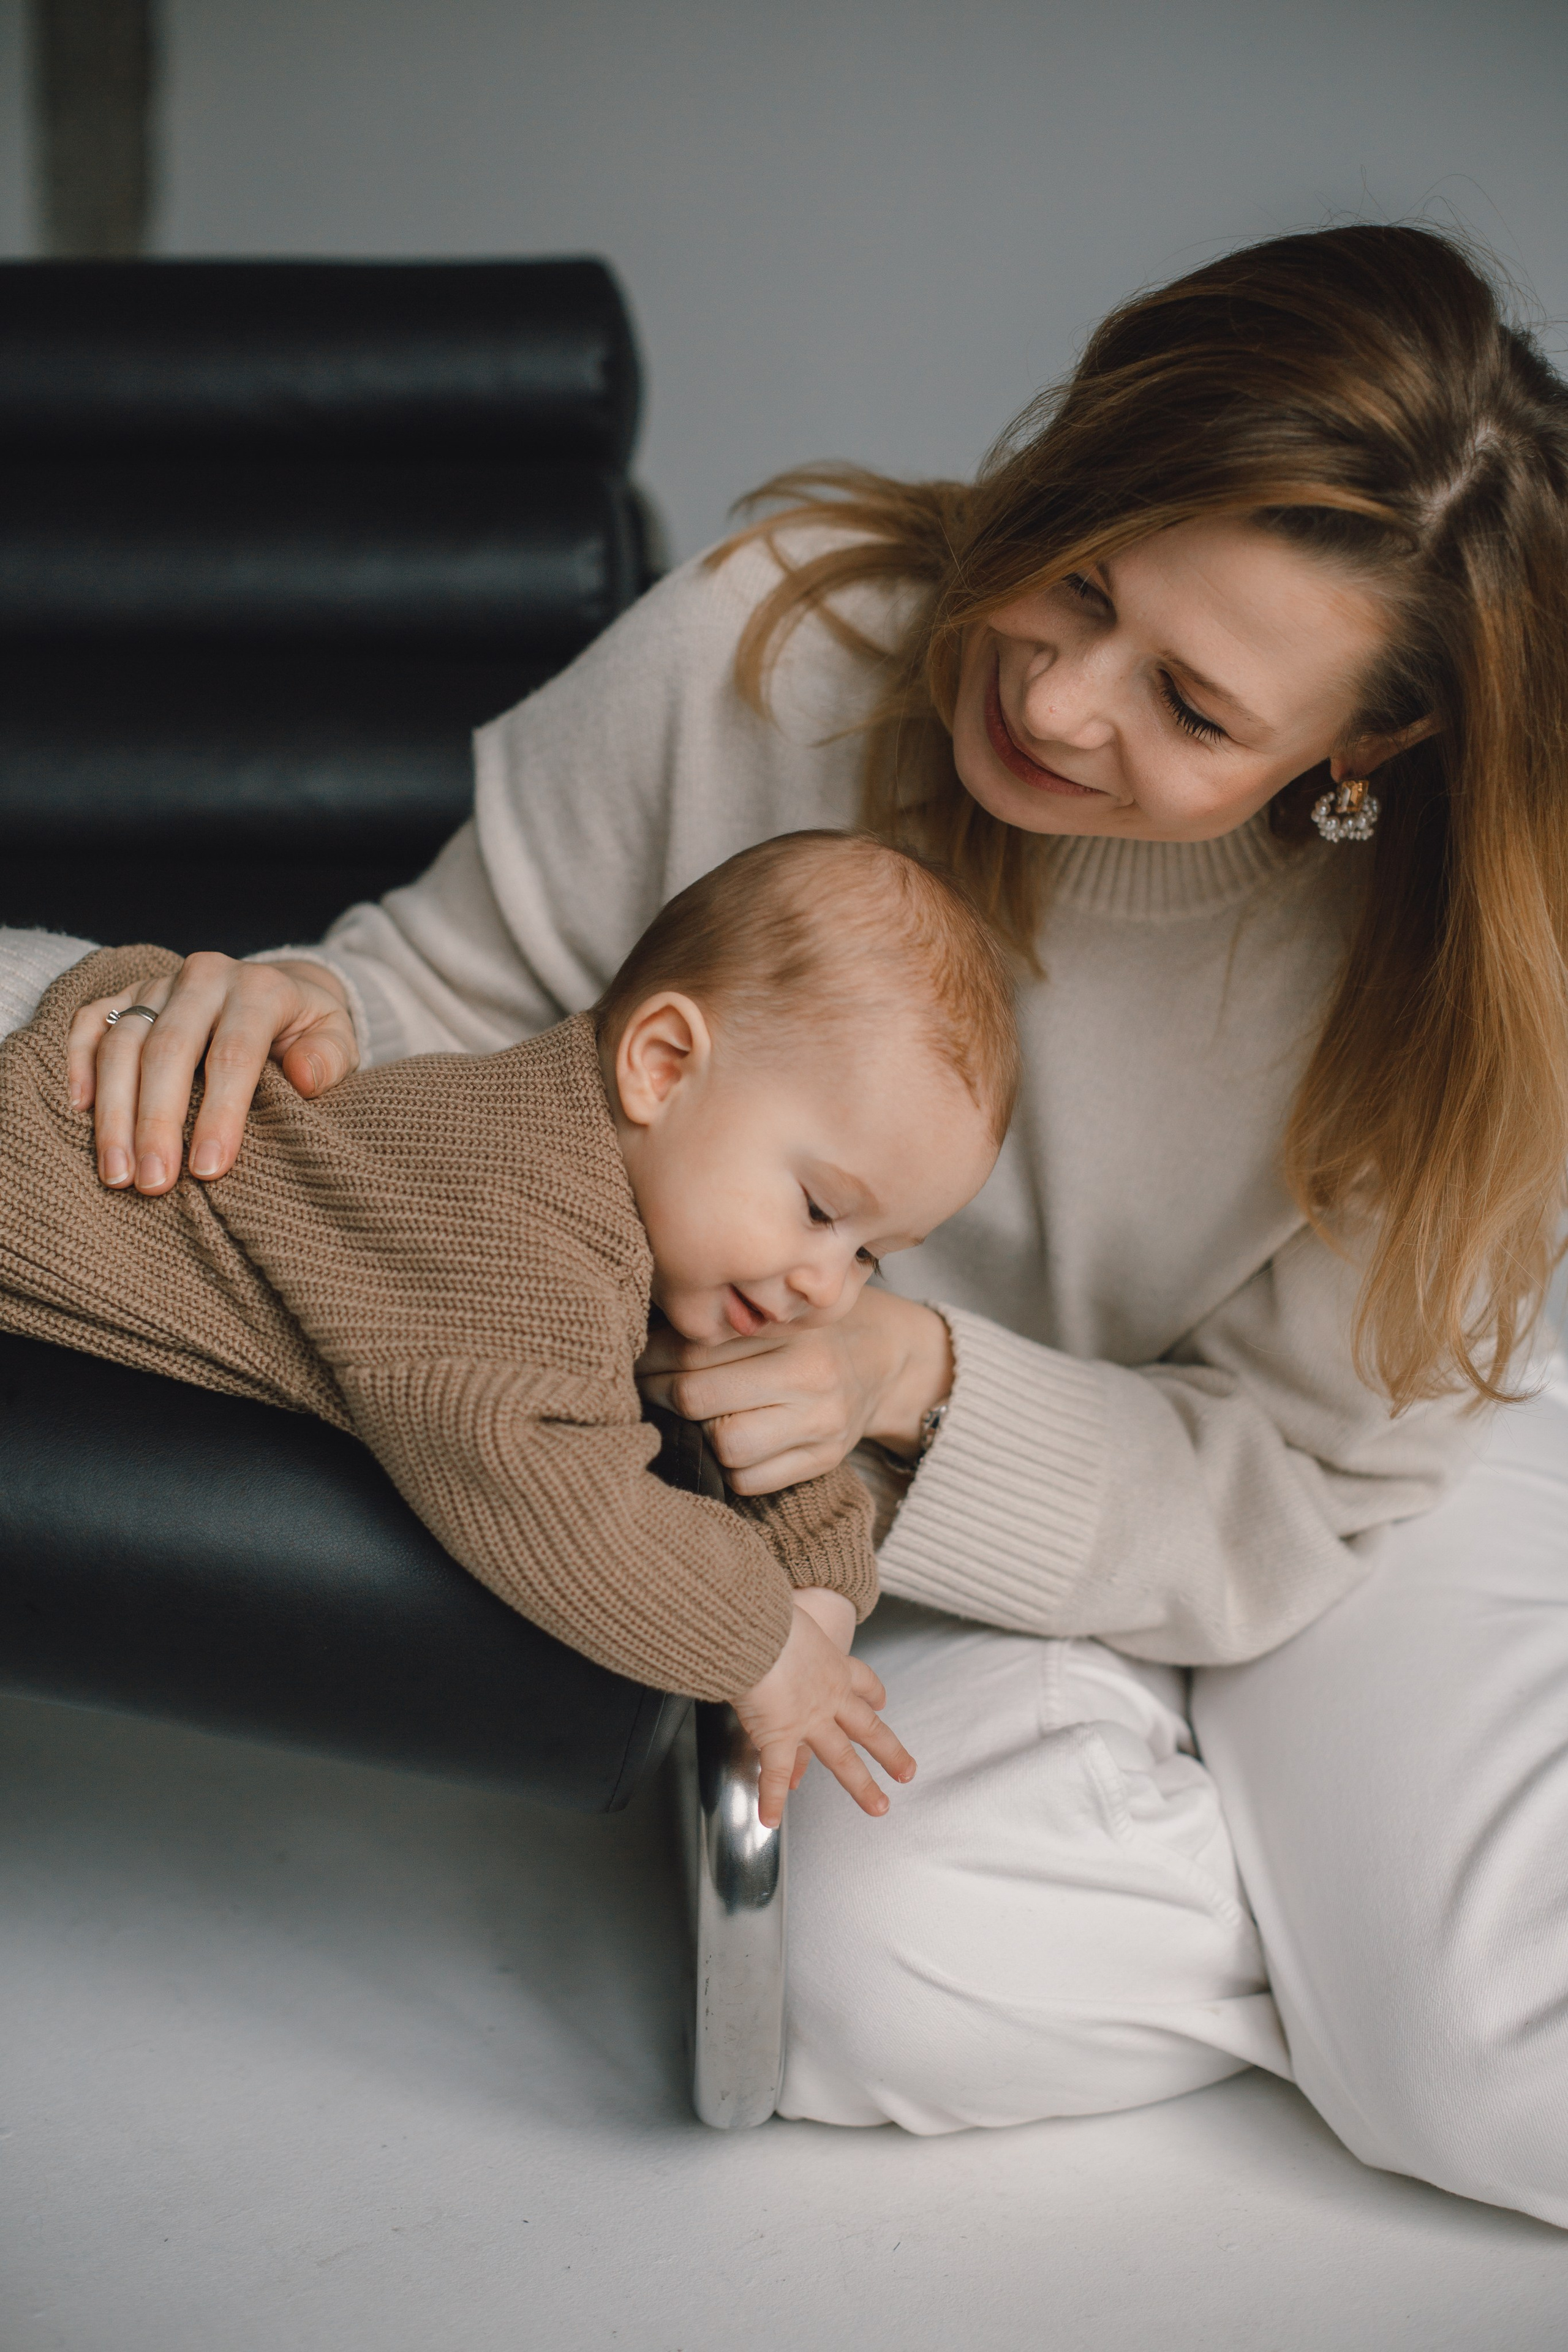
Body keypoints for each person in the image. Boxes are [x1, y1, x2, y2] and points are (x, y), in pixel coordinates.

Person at [50, 226, 1568, 2216]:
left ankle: (1364, 1946)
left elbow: (1300, 1479)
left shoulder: (1449, 992)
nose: (1054, 690)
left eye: (1196, 707)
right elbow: (468, 989)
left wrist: (913, 1373)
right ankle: (1309, 1916)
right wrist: (308, 1009)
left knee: (1488, 2066)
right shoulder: (775, 639)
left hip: (1356, 1477)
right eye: (1086, 571)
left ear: (1365, 753)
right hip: (950, 1518)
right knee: (859, 1986)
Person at [0, 832, 1019, 1825]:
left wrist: (826, 1579)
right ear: (661, 1066)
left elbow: (746, 1402)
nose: (828, 1290)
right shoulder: (512, 1212)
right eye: (819, 1210)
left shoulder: (660, 1219)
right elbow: (546, 1487)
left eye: (872, 1256)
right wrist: (770, 1645)